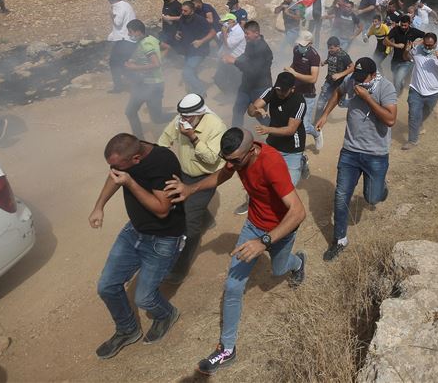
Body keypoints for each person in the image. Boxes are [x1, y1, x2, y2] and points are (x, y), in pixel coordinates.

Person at [165, 127, 306, 375]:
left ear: (251, 151)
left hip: (280, 230)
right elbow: (221, 176)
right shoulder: (236, 158)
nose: (231, 165)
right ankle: (227, 349)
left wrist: (264, 242)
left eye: (235, 161)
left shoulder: (271, 163)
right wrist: (190, 189)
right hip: (253, 226)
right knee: (232, 287)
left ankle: (298, 263)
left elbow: (297, 212)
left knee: (279, 269)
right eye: (227, 160)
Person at [89, 134, 186, 359]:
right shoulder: (129, 155)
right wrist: (99, 206)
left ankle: (167, 315)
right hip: (134, 232)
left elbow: (162, 209)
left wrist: (130, 182)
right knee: (107, 286)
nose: (113, 171)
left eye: (117, 167)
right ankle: (128, 330)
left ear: (136, 159)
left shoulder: (163, 163)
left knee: (145, 298)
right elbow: (115, 177)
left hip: (163, 239)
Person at [315, 58, 397, 260]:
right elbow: (338, 92)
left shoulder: (386, 88)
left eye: (362, 78)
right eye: (356, 77)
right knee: (341, 196)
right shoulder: (352, 80)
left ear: (373, 74)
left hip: (376, 154)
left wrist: (368, 98)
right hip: (350, 151)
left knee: (372, 198)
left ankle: (380, 188)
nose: (358, 82)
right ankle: (340, 240)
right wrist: (325, 114)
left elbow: (390, 119)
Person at [158, 94, 228, 284]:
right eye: (182, 116)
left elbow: (212, 158)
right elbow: (165, 138)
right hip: (184, 173)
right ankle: (207, 219)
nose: (184, 120)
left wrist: (192, 137)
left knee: (189, 223)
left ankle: (180, 267)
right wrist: (158, 158)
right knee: (179, 204)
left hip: (207, 176)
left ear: (199, 114)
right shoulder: (181, 119)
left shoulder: (216, 126)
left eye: (188, 117)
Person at [249, 72, 309, 185]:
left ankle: (301, 160)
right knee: (267, 180)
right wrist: (255, 111)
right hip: (273, 144)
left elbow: (291, 130)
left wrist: (268, 130)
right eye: (278, 89)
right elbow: (252, 107)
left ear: (292, 89)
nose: (280, 93)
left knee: (288, 187)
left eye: (284, 90)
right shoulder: (271, 91)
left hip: (292, 149)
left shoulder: (299, 101)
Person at [402, 33, 438, 150]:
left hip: (434, 92)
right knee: (413, 114)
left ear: (435, 43)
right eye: (425, 45)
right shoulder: (417, 49)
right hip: (416, 89)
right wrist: (406, 51)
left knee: (424, 113)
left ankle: (421, 123)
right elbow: (406, 58)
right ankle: (413, 140)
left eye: (430, 45)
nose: (427, 47)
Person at [123, 20, 169, 138]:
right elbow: (166, 47)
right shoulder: (151, 39)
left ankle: (138, 140)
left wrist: (135, 68)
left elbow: (155, 64)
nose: (129, 34)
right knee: (156, 117)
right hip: (151, 84)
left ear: (138, 31)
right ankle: (138, 139)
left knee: (133, 112)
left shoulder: (145, 44)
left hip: (151, 85)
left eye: (130, 32)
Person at [283, 30, 323, 151]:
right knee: (291, 121)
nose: (300, 47)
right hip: (295, 92)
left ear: (310, 44)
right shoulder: (296, 50)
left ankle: (317, 133)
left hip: (308, 94)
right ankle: (294, 146)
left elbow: (313, 79)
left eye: (303, 45)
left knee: (305, 126)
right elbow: (295, 64)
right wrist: (289, 71)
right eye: (299, 44)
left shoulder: (314, 56)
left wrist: (294, 74)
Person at [229, 20, 273, 129]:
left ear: (256, 34)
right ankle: (236, 135)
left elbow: (254, 71)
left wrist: (234, 61)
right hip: (246, 86)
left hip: (260, 88)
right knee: (238, 110)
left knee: (259, 114)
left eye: (247, 33)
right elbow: (246, 56)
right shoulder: (250, 44)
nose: (245, 36)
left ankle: (276, 135)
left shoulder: (263, 49)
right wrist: (236, 59)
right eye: (245, 33)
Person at [174, 1, 215, 96]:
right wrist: (177, 34)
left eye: (185, 11)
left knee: (187, 72)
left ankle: (201, 92)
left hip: (199, 52)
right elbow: (180, 29)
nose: (183, 12)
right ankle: (194, 92)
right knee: (192, 72)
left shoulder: (200, 20)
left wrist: (201, 41)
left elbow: (212, 32)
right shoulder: (182, 19)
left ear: (192, 11)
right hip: (188, 51)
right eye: (182, 10)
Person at [313, 36, 354, 122]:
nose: (329, 50)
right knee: (321, 102)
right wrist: (324, 62)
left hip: (340, 84)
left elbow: (352, 67)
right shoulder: (331, 52)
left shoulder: (344, 55)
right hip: (329, 81)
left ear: (338, 46)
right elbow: (330, 59)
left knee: (341, 103)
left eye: (331, 48)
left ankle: (354, 103)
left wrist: (340, 74)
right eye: (328, 48)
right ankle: (316, 121)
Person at [384, 14, 425, 96]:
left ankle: (396, 97)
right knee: (396, 79)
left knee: (398, 79)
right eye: (401, 25)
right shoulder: (396, 30)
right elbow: (385, 41)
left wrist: (417, 42)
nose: (403, 27)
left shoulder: (413, 31)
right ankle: (401, 87)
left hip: (406, 60)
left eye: (405, 25)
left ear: (409, 24)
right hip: (395, 59)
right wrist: (396, 45)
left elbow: (426, 36)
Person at [108, 0, 137, 92]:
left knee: (114, 63)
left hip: (123, 39)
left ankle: (119, 86)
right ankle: (136, 83)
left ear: (112, 1)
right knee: (122, 63)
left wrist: (112, 16)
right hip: (129, 39)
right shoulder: (127, 5)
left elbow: (118, 22)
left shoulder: (118, 6)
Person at [214, 13, 246, 95]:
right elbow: (217, 36)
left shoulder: (238, 32)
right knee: (218, 79)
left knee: (235, 82)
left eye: (226, 21)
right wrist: (224, 32)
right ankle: (229, 94)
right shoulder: (229, 30)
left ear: (232, 21)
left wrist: (224, 33)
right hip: (226, 60)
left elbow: (228, 45)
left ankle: (233, 97)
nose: (224, 24)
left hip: (236, 60)